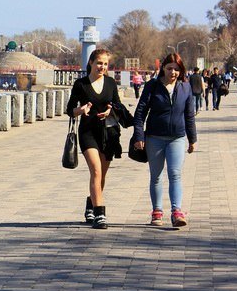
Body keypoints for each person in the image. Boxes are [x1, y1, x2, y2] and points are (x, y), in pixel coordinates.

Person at [133, 53, 197, 228]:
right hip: (155, 138)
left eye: (176, 69)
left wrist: (192, 139)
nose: (173, 72)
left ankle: (177, 212)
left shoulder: (185, 87)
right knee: (156, 176)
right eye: (170, 68)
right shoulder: (152, 86)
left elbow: (189, 115)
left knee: (175, 174)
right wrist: (139, 136)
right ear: (163, 68)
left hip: (177, 137)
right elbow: (139, 113)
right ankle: (157, 211)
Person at [65, 49, 122, 229]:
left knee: (102, 175)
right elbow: (70, 110)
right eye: (99, 63)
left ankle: (91, 203)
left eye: (105, 64)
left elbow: (117, 105)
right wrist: (80, 111)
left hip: (107, 134)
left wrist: (110, 111)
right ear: (90, 63)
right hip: (87, 133)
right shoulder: (81, 84)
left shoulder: (111, 83)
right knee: (96, 171)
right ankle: (100, 214)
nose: (102, 67)